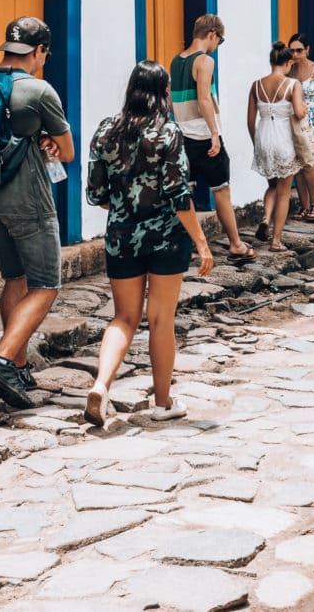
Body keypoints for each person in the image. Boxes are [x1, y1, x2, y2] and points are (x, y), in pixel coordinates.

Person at [83, 61, 214, 425]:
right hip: (166, 239)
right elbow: (177, 195)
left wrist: (127, 208)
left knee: (124, 317)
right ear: (163, 93)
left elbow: (96, 193)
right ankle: (162, 403)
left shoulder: (106, 131)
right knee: (160, 319)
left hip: (121, 237)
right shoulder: (169, 134)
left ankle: (101, 386)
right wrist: (202, 243)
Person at [0, 17, 75, 409]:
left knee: (15, 277)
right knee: (46, 285)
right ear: (39, 51)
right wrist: (46, 140)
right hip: (28, 202)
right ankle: (2, 358)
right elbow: (67, 151)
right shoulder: (39, 90)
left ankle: (19, 364)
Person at [170, 15, 255, 261]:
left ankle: (189, 245)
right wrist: (214, 134)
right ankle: (236, 245)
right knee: (222, 191)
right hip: (203, 137)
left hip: (182, 136)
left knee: (186, 193)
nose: (218, 45)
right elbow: (204, 98)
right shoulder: (204, 61)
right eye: (220, 39)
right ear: (212, 35)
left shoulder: (176, 61)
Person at [248, 42, 307, 253]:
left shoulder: (256, 85)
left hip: (263, 138)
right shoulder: (293, 85)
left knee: (272, 185)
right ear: (289, 62)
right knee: (284, 192)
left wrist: (257, 143)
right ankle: (276, 241)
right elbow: (299, 113)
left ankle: (265, 218)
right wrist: (305, 108)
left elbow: (250, 121)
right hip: (283, 140)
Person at [287, 33, 314, 222]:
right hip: (295, 120)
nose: (295, 54)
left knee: (310, 164)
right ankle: (304, 206)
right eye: (292, 50)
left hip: (313, 121)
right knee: (299, 164)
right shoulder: (289, 71)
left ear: (307, 50)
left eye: (299, 50)